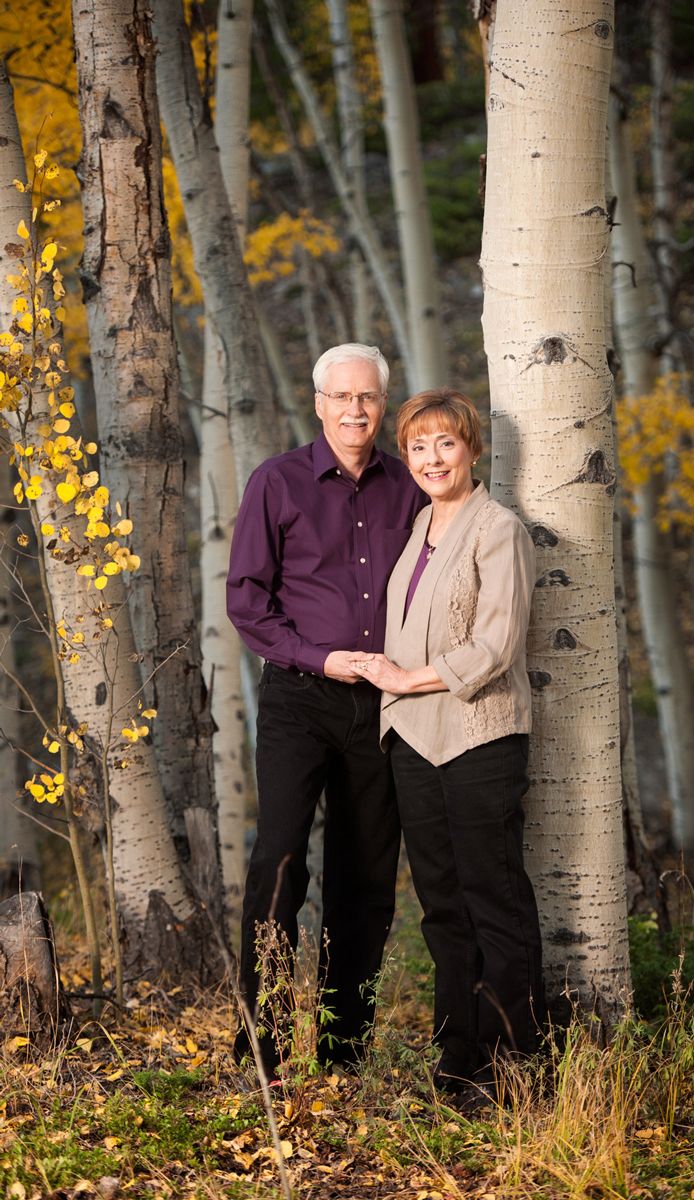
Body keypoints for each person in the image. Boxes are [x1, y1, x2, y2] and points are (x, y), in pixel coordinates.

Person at [226, 343, 424, 1077]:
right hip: (299, 699)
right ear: (318, 404)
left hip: (382, 708)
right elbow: (247, 601)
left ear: (382, 403)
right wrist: (319, 657)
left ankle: (344, 1053)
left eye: (368, 398)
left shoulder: (408, 489)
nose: (355, 410)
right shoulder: (277, 482)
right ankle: (262, 1049)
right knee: (278, 864)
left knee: (366, 878)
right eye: (341, 397)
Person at [350, 389, 544, 1100]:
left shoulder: (499, 529)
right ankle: (456, 1063)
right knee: (441, 910)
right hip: (410, 737)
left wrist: (407, 676)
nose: (432, 458)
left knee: (492, 898)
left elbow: (494, 644)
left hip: (478, 735)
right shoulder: (417, 529)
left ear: (471, 449)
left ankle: (514, 1064)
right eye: (418, 447)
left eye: (446, 443)